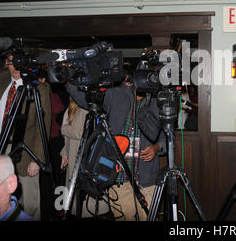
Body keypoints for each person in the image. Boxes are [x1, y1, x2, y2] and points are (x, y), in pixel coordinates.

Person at [66, 65, 166, 221]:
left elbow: (166, 134)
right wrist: (68, 80)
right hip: (119, 176)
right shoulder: (116, 95)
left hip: (147, 178)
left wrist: (157, 147)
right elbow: (85, 99)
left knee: (149, 217)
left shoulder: (157, 102)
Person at [0, 52, 51, 220]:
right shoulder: (0, 83)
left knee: (29, 202)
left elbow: (43, 125)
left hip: (25, 150)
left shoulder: (39, 89)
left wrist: (37, 159)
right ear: (6, 65)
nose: (15, 66)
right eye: (10, 62)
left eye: (18, 61)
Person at [60, 97, 110, 218]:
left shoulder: (85, 108)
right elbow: (67, 138)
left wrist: (62, 128)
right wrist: (64, 153)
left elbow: (78, 132)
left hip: (84, 157)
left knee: (86, 191)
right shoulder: (71, 109)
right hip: (72, 154)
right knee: (74, 193)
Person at [0, 152, 34, 221]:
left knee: (31, 202)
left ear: (11, 184)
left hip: (25, 163)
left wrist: (35, 161)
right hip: (6, 154)